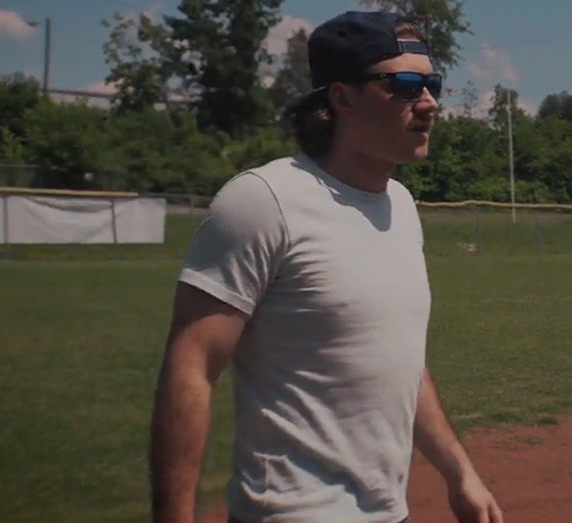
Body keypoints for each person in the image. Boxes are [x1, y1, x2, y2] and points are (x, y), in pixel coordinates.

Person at [148, 10, 504, 523]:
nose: (428, 102)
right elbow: (191, 368)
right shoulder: (264, 200)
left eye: (432, 84)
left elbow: (400, 364)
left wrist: (459, 471)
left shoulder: (401, 206)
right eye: (404, 85)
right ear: (340, 98)